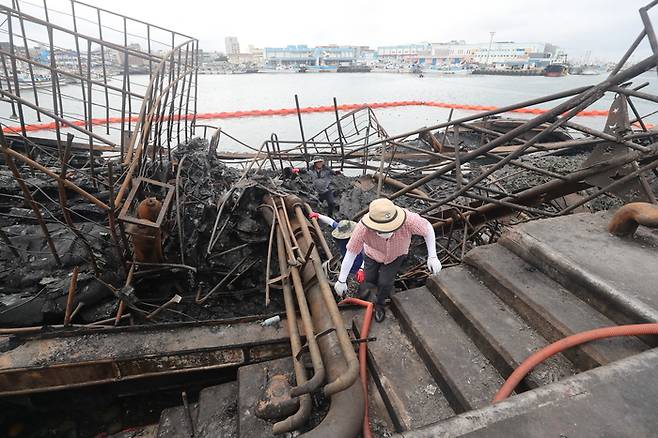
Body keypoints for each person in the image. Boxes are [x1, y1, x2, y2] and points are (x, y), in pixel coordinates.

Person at [334, 198, 442, 322]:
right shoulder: (362, 228)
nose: (386, 233)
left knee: (385, 282)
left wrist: (433, 256)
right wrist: (341, 280)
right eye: (381, 230)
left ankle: (379, 304)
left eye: (391, 228)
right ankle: (371, 293)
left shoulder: (408, 219)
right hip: (372, 255)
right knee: (369, 278)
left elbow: (427, 228)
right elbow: (351, 252)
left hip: (395, 256)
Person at [307, 211, 365, 282]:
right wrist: (319, 216)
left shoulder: (359, 240)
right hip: (346, 259)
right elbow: (331, 222)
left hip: (357, 266)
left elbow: (367, 255)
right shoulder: (342, 228)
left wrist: (361, 269)